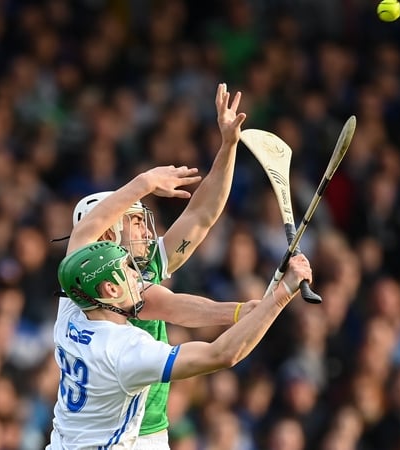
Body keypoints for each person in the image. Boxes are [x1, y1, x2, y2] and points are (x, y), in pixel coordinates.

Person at [56, 84, 267, 446]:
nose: (144, 227)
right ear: (106, 235)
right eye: (132, 220)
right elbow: (172, 307)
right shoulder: (104, 286)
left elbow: (202, 214)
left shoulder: (101, 279)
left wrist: (228, 147)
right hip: (126, 432)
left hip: (141, 425)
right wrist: (238, 312)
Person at [47, 186, 313, 449]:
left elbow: (83, 235)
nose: (135, 276)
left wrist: (145, 181)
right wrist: (282, 295)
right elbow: (221, 354)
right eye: (127, 269)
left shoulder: (71, 307)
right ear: (110, 289)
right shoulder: (126, 350)